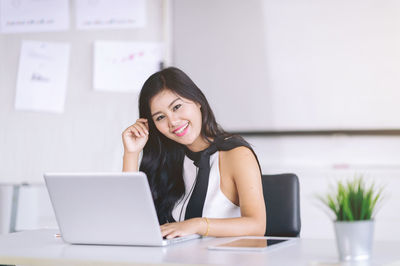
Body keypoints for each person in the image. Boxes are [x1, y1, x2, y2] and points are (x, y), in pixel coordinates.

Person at [122, 67, 266, 239]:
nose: (173, 122)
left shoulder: (235, 154)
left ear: (197, 101)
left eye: (177, 107)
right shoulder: (168, 160)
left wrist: (197, 225)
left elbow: (257, 225)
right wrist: (131, 154)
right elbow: (131, 220)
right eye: (160, 117)